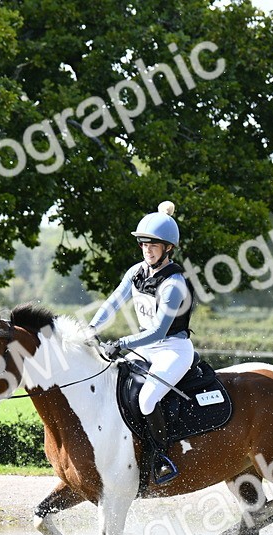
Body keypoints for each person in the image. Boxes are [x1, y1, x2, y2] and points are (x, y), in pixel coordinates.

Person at [89, 201, 194, 485]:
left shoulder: (173, 285)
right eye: (144, 244)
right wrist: (91, 328)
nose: (147, 250)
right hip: (145, 347)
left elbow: (159, 331)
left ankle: (161, 458)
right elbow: (114, 302)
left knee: (147, 399)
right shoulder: (137, 272)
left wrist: (121, 342)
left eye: (154, 245)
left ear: (168, 248)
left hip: (172, 349)